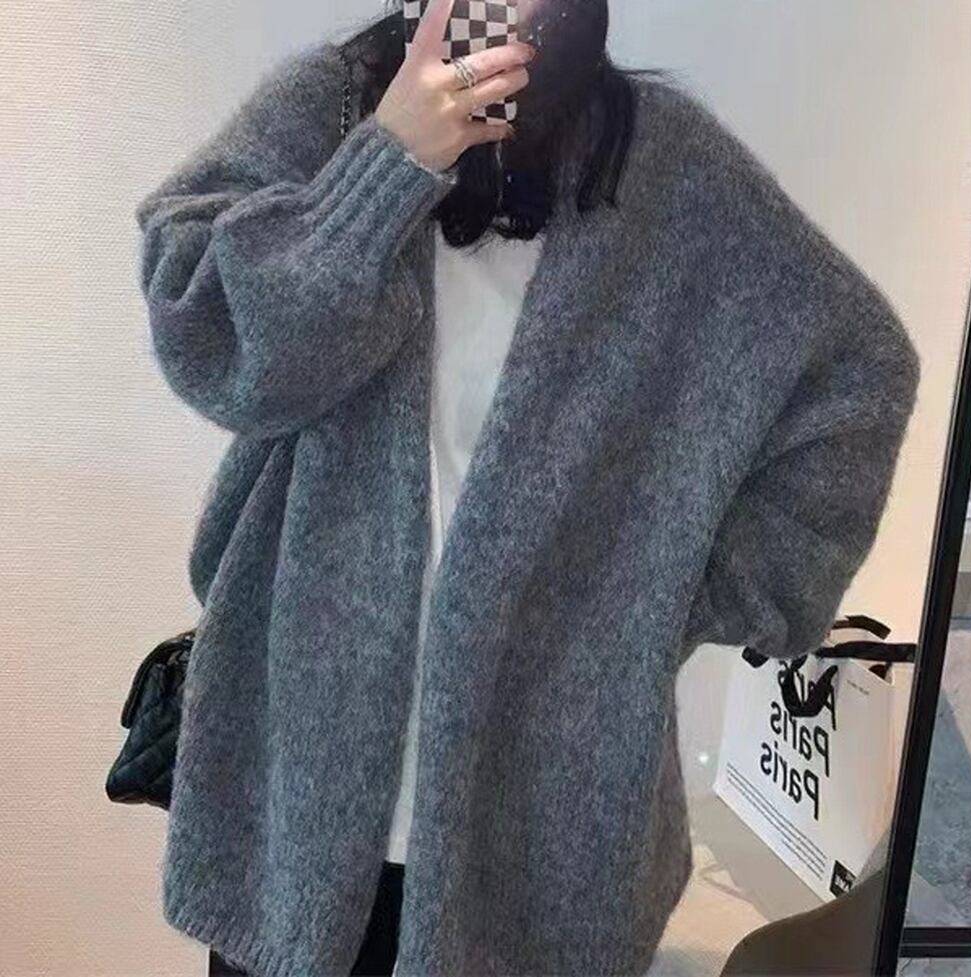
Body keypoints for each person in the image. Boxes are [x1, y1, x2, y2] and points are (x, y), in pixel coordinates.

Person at [134, 0, 920, 974]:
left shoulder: (663, 163)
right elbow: (211, 336)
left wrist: (675, 594)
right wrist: (390, 158)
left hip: (542, 829)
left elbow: (856, 374)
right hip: (293, 795)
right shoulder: (329, 107)